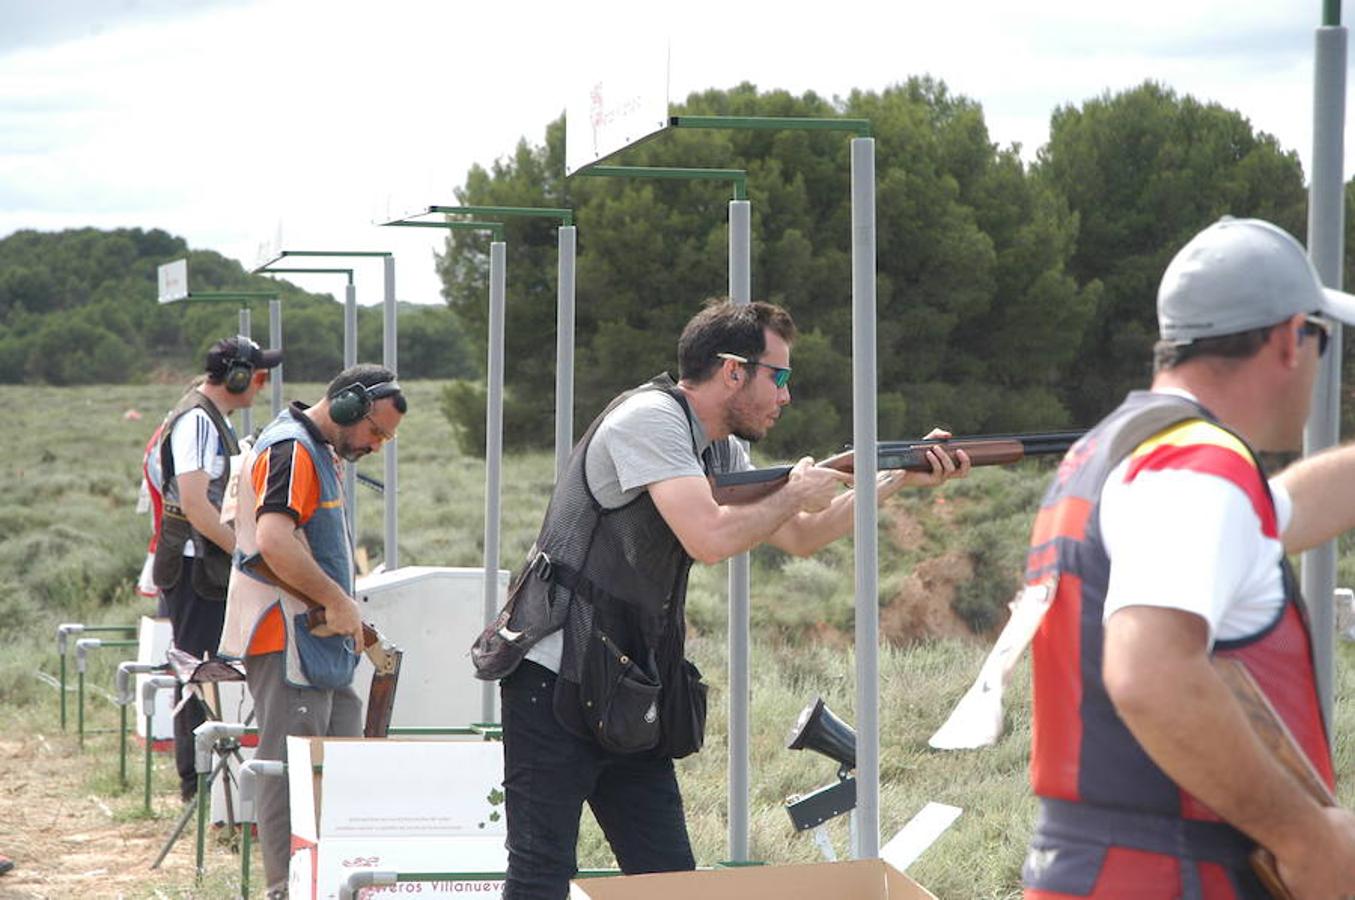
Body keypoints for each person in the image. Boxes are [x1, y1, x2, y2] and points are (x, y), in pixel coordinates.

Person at [473, 299, 970, 899]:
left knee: (670, 882)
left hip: (627, 684)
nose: (785, 395)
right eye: (778, 375)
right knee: (539, 872)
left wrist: (896, 477)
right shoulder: (650, 420)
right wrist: (793, 493)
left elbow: (804, 535)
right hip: (555, 679)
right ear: (733, 371)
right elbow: (708, 538)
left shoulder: (716, 448)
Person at [1021, 217, 1355, 899]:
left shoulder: (1132, 454)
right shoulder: (1197, 473)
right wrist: (1304, 836)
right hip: (1171, 877)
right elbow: (1148, 674)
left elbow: (1280, 512)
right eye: (1324, 339)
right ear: (1291, 338)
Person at [219, 364, 406, 900]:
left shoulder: (314, 450)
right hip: (287, 638)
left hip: (314, 640)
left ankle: (325, 881)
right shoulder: (292, 449)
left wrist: (341, 607)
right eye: (376, 431)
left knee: (330, 765)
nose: (376, 444)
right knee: (290, 771)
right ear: (348, 407)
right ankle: (286, 889)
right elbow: (273, 543)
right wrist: (335, 600)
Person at [152, 336, 281, 803]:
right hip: (195, 567)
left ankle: (205, 783)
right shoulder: (199, 422)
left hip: (201, 564)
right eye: (259, 376)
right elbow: (196, 508)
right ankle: (196, 784)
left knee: (205, 669)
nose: (261, 386)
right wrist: (248, 556)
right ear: (238, 377)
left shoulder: (207, 417)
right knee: (198, 672)